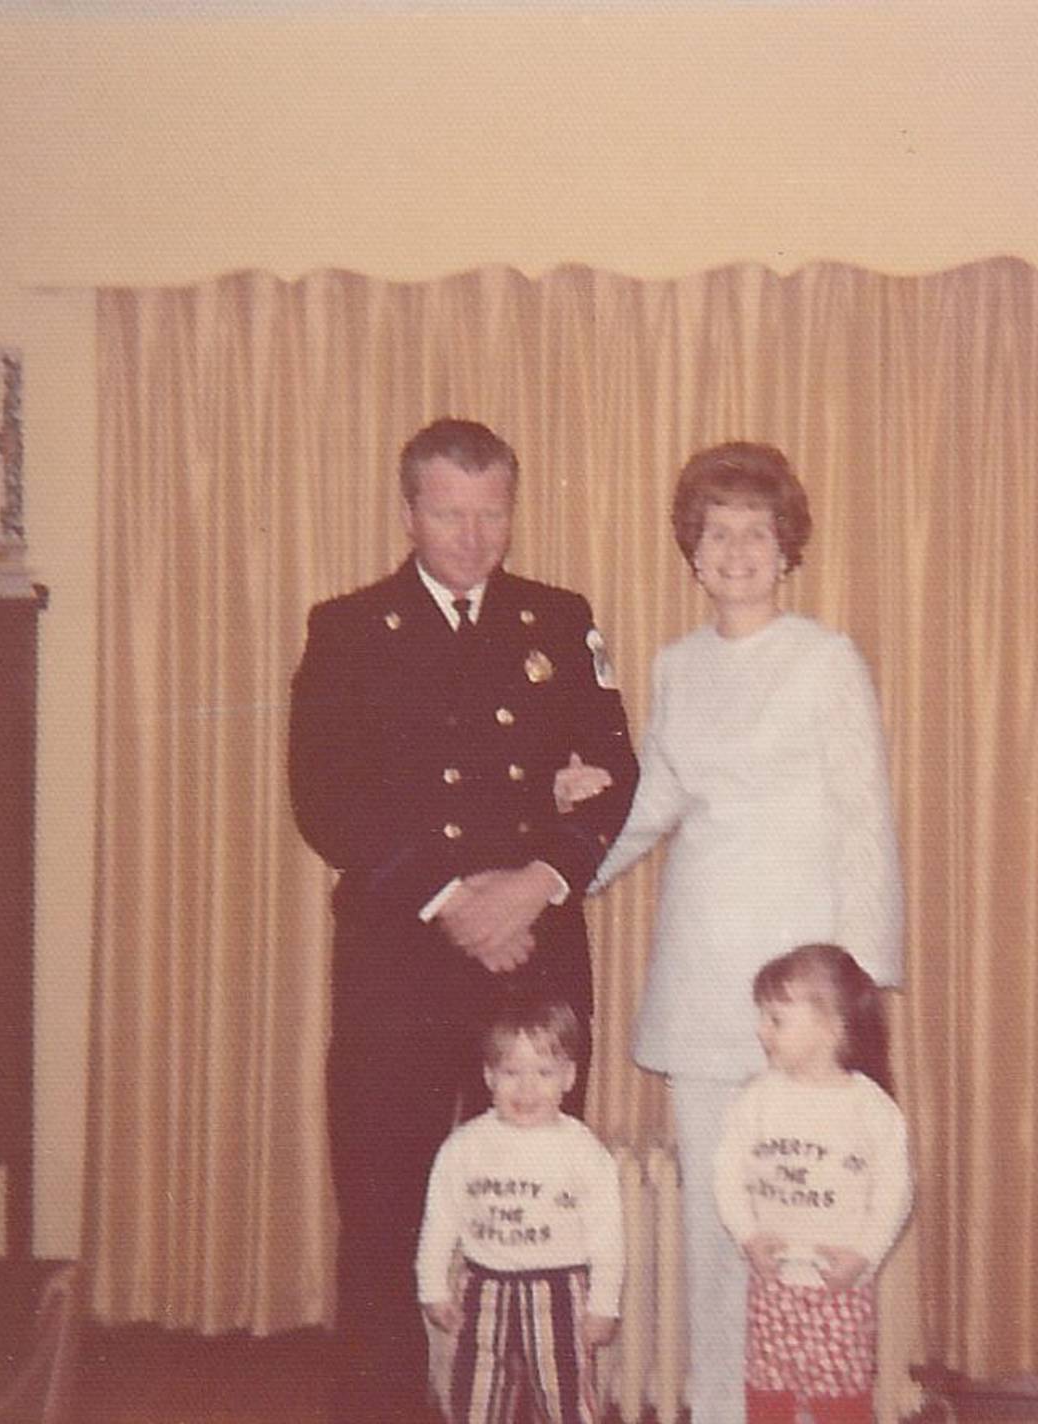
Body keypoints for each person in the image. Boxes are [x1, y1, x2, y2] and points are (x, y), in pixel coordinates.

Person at [288, 417, 638, 1422]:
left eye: (492, 512)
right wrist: (456, 901)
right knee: (386, 1199)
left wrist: (536, 882)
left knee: (541, 1196)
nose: (473, 535)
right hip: (400, 952)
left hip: (534, 955)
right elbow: (326, 797)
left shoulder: (560, 619)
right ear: (410, 510)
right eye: (449, 511)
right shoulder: (348, 626)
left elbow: (618, 783)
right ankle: (383, 1404)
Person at [564, 441, 905, 1424]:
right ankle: (716, 1408)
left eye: (757, 531)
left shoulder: (827, 657)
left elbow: (863, 814)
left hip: (805, 989)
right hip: (704, 972)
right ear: (694, 550)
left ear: (786, 546)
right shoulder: (675, 663)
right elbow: (656, 799)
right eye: (718, 532)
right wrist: (563, 872)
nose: (738, 549)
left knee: (820, 1214)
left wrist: (862, 983)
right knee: (724, 1221)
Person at [714, 944, 912, 1424]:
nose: (762, 1031)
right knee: (768, 1394)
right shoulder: (756, 1099)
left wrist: (864, 1255)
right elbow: (726, 1174)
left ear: (831, 1025)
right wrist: (748, 1237)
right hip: (774, 1283)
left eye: (776, 1020)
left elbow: (895, 1194)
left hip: (839, 1286)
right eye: (762, 1017)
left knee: (840, 1401)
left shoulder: (871, 1109)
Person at [416, 998, 624, 1424]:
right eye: (511, 1073)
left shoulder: (583, 1152)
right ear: (489, 1075)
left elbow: (608, 1238)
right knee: (475, 1400)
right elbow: (439, 1224)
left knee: (566, 1400)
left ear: (568, 1076)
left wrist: (605, 1304)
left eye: (544, 1073)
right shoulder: (464, 1147)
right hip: (482, 1292)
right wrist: (432, 1287)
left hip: (559, 1295)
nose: (526, 1089)